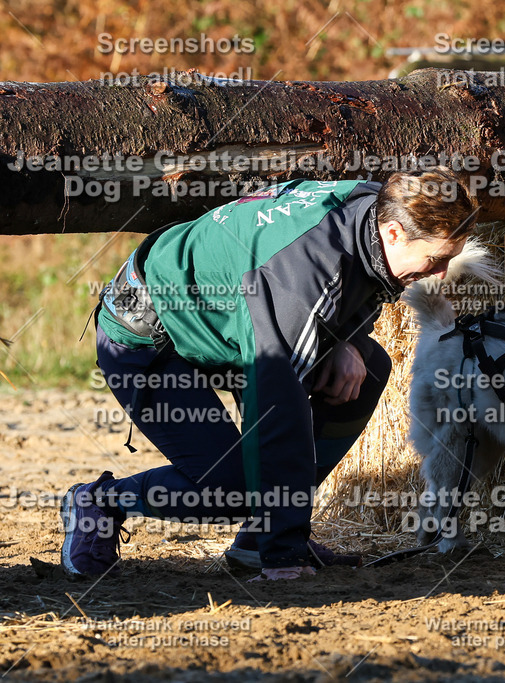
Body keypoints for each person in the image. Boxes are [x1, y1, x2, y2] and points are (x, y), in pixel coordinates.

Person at [60, 168, 477, 581]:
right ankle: (103, 501)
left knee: (367, 367)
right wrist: (285, 554)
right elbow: (276, 414)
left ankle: (256, 537)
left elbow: (354, 286)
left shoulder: (373, 205)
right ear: (393, 234)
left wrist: (345, 339)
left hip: (228, 323)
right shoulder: (301, 277)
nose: (441, 274)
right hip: (146, 338)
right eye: (436, 259)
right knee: (232, 487)